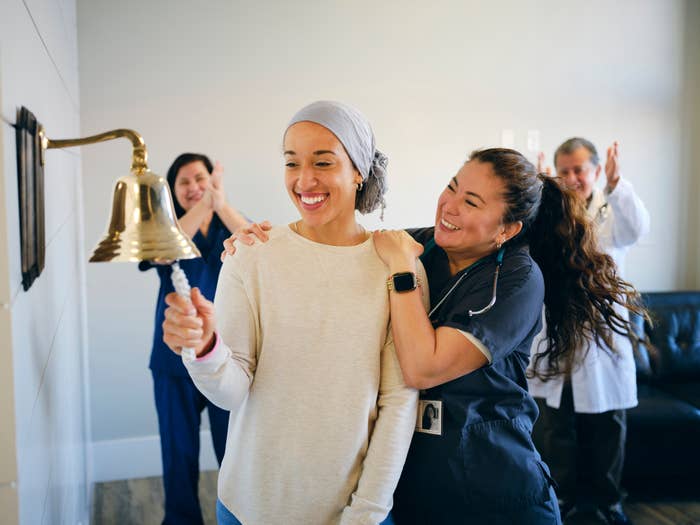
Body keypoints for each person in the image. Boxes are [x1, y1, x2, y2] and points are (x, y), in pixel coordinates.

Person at [226, 147, 646, 524]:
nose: (450, 205)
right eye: (452, 187)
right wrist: (256, 243)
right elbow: (337, 248)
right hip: (419, 488)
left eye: (472, 201)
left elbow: (422, 367)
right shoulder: (425, 245)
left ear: (507, 230)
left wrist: (403, 273)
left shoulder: (517, 279)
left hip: (492, 488)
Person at [161, 101, 420, 525]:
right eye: (291, 163)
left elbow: (398, 401)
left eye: (323, 162)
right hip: (246, 507)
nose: (304, 180)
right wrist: (204, 347)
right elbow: (230, 391)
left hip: (353, 514)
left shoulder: (397, 265)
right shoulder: (252, 253)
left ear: (359, 171)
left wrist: (366, 514)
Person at [529, 138, 650, 525]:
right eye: (563, 171)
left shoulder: (611, 210)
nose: (571, 177)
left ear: (596, 170)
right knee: (554, 428)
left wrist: (617, 186)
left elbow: (637, 228)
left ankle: (608, 502)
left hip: (601, 341)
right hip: (557, 335)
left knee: (607, 429)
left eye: (579, 169)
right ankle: (558, 501)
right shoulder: (551, 213)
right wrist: (538, 193)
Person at [139, 153, 249, 525]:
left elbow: (260, 247)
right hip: (172, 361)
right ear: (173, 190)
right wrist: (204, 205)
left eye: (200, 179)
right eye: (183, 182)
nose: (193, 187)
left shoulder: (228, 224)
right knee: (178, 453)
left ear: (213, 182)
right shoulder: (166, 227)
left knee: (232, 454)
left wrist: (220, 204)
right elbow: (159, 251)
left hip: (224, 359)